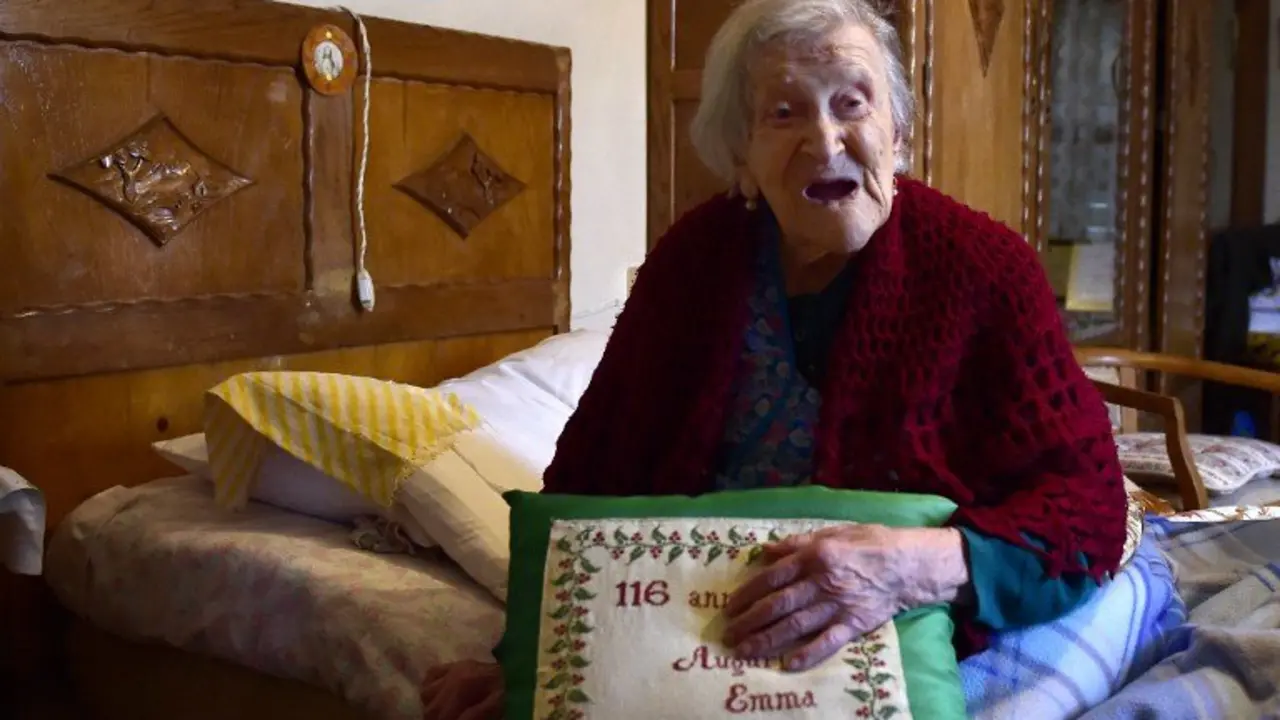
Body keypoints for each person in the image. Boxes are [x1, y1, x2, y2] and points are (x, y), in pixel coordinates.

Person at [421, 0, 1126, 716]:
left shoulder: (987, 270)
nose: (825, 141)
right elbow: (588, 487)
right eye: (784, 114)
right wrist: (529, 660)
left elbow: (1088, 509)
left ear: (900, 136)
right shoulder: (691, 265)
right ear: (741, 158)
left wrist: (918, 566)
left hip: (906, 617)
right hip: (696, 621)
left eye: (852, 104)